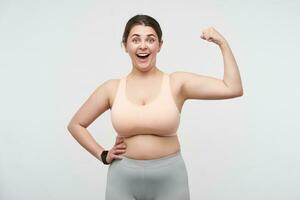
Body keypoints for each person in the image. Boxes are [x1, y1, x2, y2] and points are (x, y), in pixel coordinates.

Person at [67, 14, 243, 200]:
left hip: (170, 179)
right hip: (122, 180)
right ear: (125, 45)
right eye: (136, 39)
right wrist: (102, 154)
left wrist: (223, 44)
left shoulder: (177, 83)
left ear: (159, 45)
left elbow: (233, 88)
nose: (143, 45)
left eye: (150, 39)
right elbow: (76, 124)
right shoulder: (112, 88)